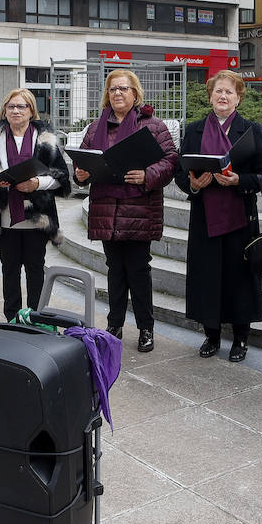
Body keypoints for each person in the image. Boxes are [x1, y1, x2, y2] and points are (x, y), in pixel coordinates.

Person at [74, 69, 179, 352]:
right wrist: (81, 174)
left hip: (139, 208)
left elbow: (171, 160)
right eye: (112, 89)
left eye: (123, 88)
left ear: (135, 93)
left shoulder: (153, 125)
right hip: (106, 207)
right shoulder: (96, 128)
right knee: (114, 270)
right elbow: (83, 160)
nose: (117, 93)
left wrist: (148, 175)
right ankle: (114, 325)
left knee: (138, 270)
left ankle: (146, 328)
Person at [176, 70, 262, 362]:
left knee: (239, 277)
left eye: (229, 92)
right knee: (207, 275)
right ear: (210, 96)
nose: (223, 96)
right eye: (218, 91)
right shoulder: (193, 129)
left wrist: (239, 180)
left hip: (240, 215)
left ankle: (241, 338)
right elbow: (181, 171)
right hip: (205, 214)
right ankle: (211, 334)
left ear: (238, 98)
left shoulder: (250, 129)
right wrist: (192, 184)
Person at [0, 88, 71, 321]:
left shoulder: (46, 140)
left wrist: (37, 183)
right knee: (9, 270)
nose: (16, 111)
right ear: (4, 110)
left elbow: (61, 178)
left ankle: (37, 317)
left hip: (37, 217)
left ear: (31, 111)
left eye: (22, 106)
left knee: (36, 270)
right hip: (4, 217)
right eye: (11, 106)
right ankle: (12, 318)